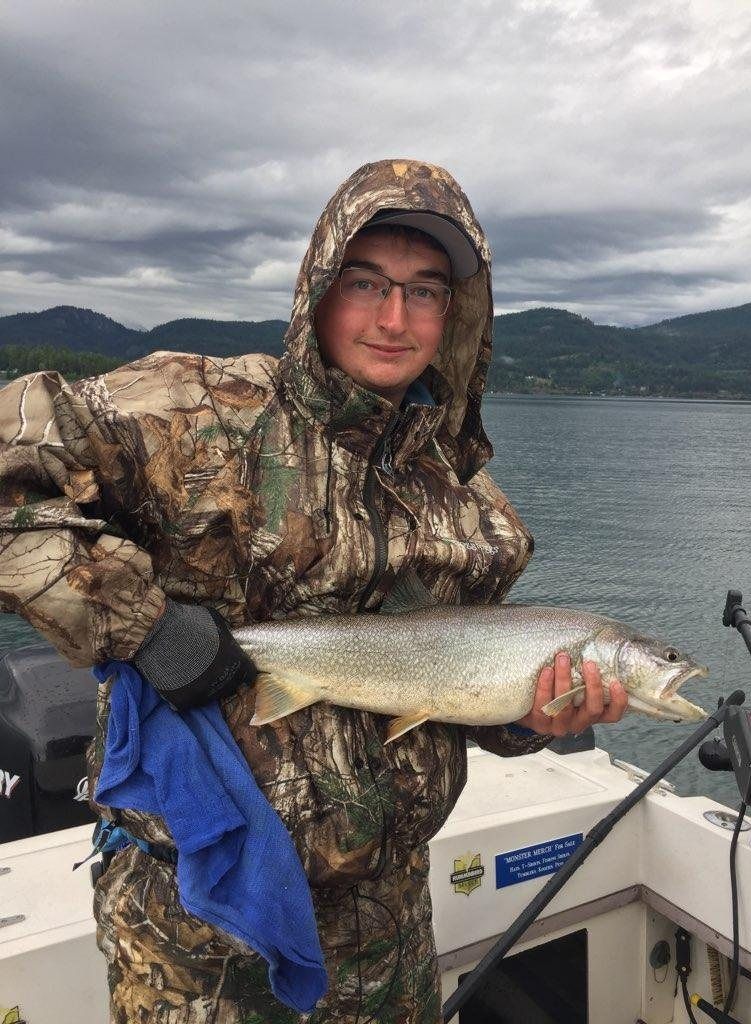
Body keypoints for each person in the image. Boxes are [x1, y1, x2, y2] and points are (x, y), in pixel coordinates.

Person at [0, 158, 627, 1023]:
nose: (394, 317)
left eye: (426, 290)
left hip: (391, 924)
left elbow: (453, 696)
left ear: (456, 316)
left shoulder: (472, 503)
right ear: (319, 285)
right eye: (366, 281)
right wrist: (143, 626)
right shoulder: (195, 410)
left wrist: (529, 717)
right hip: (197, 932)